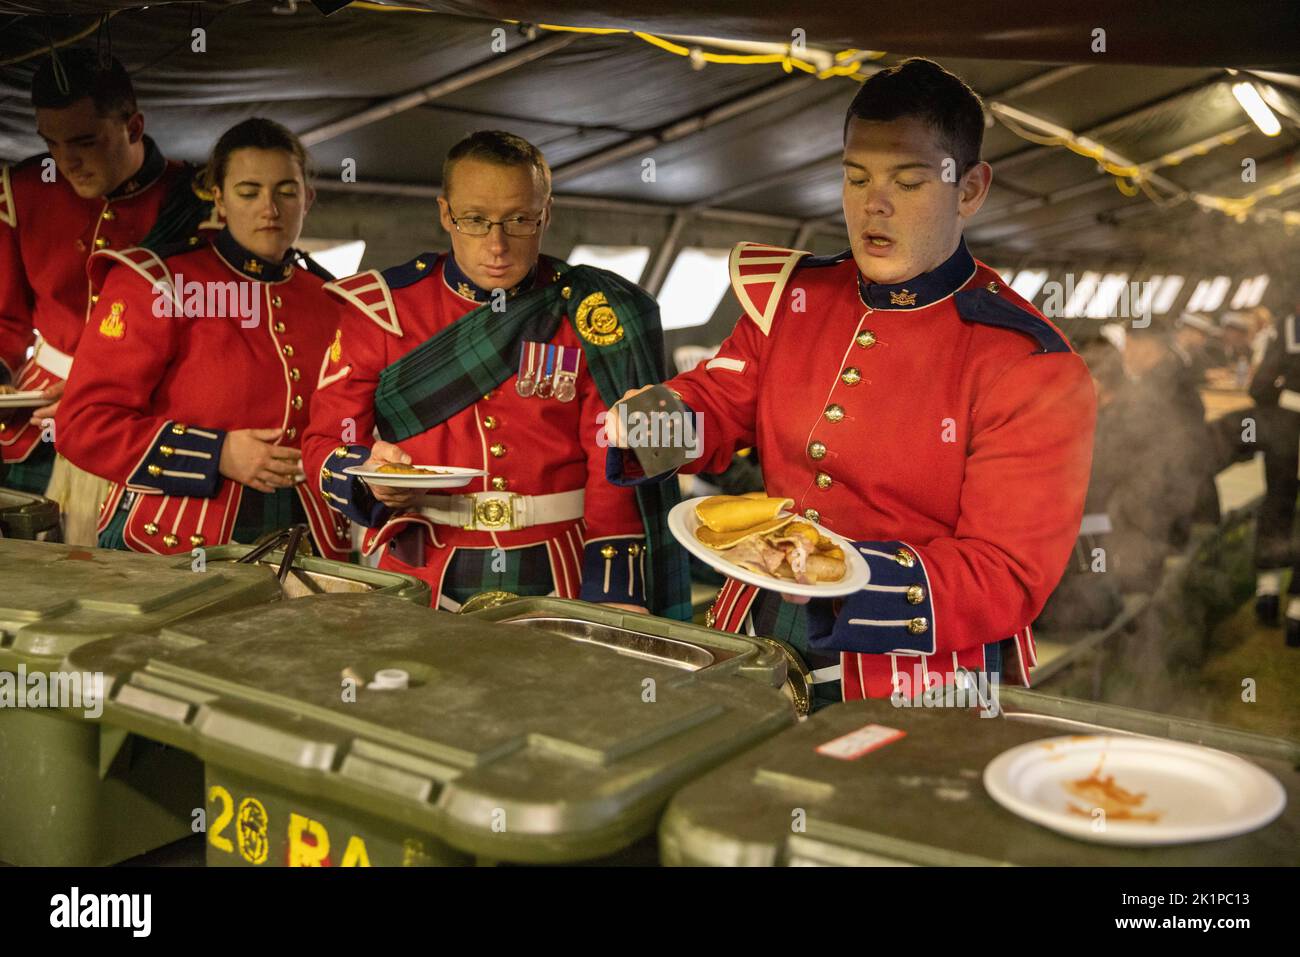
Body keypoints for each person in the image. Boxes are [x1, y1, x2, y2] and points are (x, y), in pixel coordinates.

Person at [607, 58, 1096, 703]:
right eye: (856, 177)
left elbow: (1005, 574)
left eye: (909, 182)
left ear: (970, 190)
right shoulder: (792, 299)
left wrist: (839, 576)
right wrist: (649, 422)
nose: (875, 205)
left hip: (917, 675)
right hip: (756, 633)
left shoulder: (1030, 364)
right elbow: (718, 405)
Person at [301, 131, 688, 616]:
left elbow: (613, 465)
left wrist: (614, 591)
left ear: (545, 214)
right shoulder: (382, 309)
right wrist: (367, 475)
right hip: (421, 568)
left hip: (560, 570)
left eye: (520, 220)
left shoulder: (590, 311)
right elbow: (323, 442)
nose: (497, 244)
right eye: (475, 220)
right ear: (446, 214)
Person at [56, 118, 350, 558]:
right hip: (175, 537)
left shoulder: (334, 300)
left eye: (285, 191)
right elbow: (84, 426)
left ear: (307, 198)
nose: (269, 209)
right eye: (248, 192)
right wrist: (217, 454)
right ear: (219, 199)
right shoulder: (158, 283)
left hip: (310, 539)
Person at [0, 49, 212, 542]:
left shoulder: (197, 197)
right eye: (50, 142)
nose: (65, 160)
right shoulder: (24, 188)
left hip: (143, 418)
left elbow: (209, 330)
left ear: (134, 127)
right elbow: (6, 321)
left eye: (84, 141)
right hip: (34, 430)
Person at [1245, 298, 1300, 646]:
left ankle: (1266, 592)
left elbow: (1259, 386)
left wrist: (1280, 401)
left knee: (1276, 505)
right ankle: (1298, 610)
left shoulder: (1289, 324)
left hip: (1287, 428)